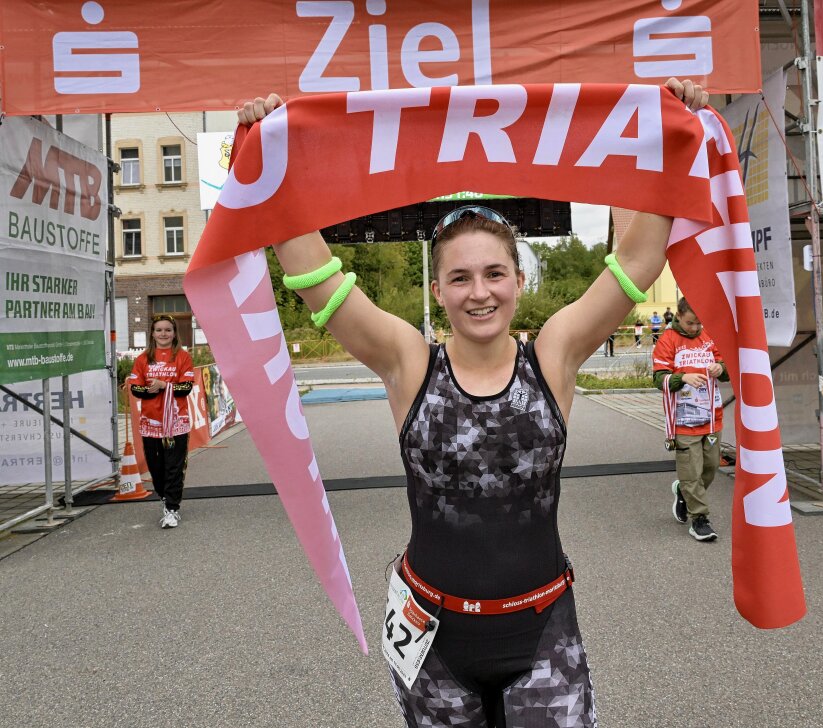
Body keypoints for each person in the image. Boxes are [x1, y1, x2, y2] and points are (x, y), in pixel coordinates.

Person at [238, 78, 709, 728]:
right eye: (460, 277)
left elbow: (638, 258)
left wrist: (670, 137)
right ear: (439, 287)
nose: (478, 292)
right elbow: (317, 281)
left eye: (493, 274)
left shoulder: (555, 354)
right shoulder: (408, 363)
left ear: (518, 280)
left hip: (542, 637)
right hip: (434, 641)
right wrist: (272, 155)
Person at [652, 297, 732, 542]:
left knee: (710, 468)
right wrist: (683, 377)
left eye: (699, 323)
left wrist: (721, 367)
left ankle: (683, 492)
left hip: (711, 418)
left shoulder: (708, 336)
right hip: (684, 421)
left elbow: (727, 368)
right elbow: (658, 379)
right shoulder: (667, 340)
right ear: (678, 315)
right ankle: (699, 519)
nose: (695, 328)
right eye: (690, 323)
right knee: (691, 472)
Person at [127, 314, 196, 528]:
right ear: (152, 333)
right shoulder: (142, 359)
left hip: (176, 422)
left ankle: (172, 509)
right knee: (156, 468)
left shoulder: (183, 357)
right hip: (151, 423)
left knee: (174, 467)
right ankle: (165, 497)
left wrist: (164, 385)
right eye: (159, 330)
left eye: (168, 330)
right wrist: (152, 389)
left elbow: (186, 387)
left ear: (174, 333)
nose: (163, 334)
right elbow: (135, 389)